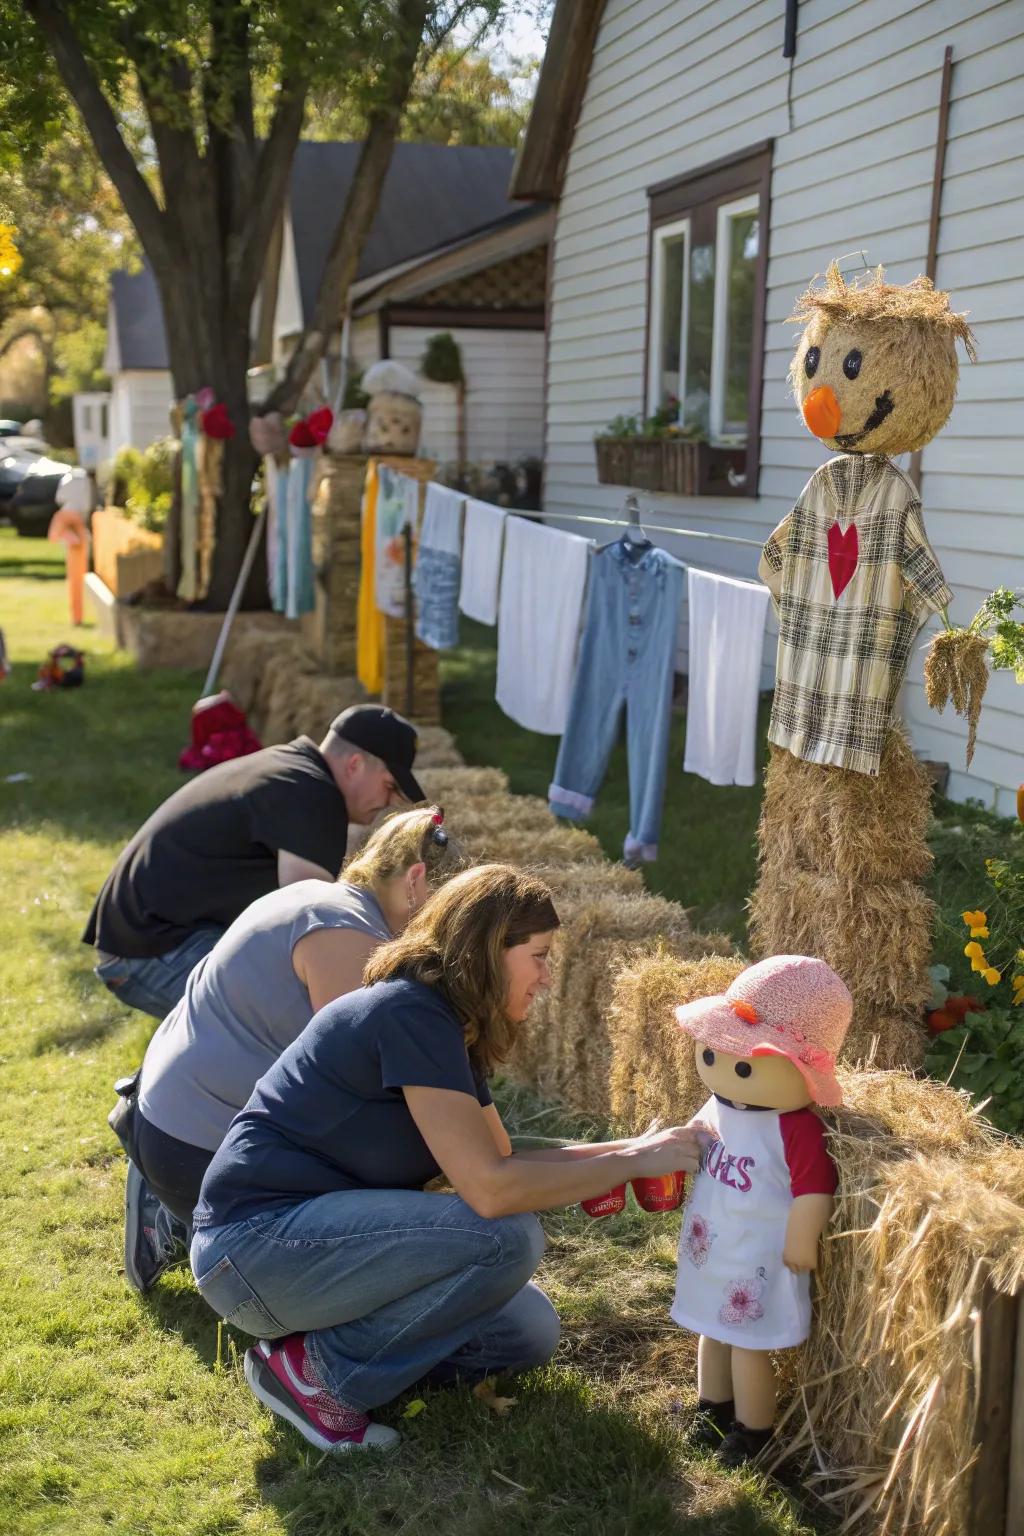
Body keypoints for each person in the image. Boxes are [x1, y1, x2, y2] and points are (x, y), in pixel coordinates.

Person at [190, 864, 707, 1454]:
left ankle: (347, 1351)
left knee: (526, 1331)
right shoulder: (411, 1013)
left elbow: (503, 1156)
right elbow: (490, 1189)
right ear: (491, 948)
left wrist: (635, 1150)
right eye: (537, 955)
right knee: (506, 1239)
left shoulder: (449, 1025)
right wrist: (630, 1164)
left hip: (314, 1250)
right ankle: (314, 1375)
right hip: (254, 1249)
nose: (546, 977)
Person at [116, 805, 460, 1291]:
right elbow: (363, 1090)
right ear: (417, 880)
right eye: (450, 914)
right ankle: (188, 1214)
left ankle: (172, 1203)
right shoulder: (350, 938)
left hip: (163, 1115)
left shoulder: (318, 896)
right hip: (197, 1150)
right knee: (392, 1189)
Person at [84, 704, 424, 1020]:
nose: (390, 802)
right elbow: (317, 921)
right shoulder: (314, 796)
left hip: (141, 937)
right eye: (390, 786)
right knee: (302, 1020)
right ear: (354, 765)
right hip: (150, 952)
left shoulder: (292, 768)